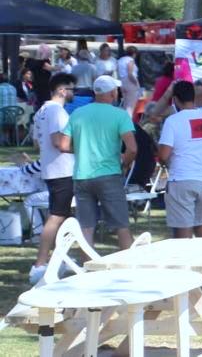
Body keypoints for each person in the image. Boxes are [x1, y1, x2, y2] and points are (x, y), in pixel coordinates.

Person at [59, 75, 137, 248]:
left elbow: (63, 145)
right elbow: (132, 148)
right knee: (121, 226)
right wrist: (124, 165)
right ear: (112, 93)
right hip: (109, 174)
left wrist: (81, 149)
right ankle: (129, 267)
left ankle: (86, 267)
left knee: (86, 227)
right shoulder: (120, 115)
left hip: (82, 176)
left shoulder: (77, 113)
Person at [27, 73, 76, 284]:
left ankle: (59, 258)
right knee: (57, 216)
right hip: (62, 169)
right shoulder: (56, 110)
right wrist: (82, 149)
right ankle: (39, 264)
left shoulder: (42, 110)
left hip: (51, 168)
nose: (74, 93)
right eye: (72, 88)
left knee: (60, 215)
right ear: (62, 90)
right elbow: (58, 141)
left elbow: (38, 144)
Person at [159, 81, 202, 239]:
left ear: (175, 100)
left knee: (183, 229)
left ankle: (184, 262)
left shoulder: (173, 121)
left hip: (182, 178)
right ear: (194, 97)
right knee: (201, 223)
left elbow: (164, 155)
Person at [25, 44, 53, 110]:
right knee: (45, 107)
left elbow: (31, 75)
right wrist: (62, 66)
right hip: (44, 88)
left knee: (37, 106)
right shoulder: (45, 62)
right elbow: (51, 69)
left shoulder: (32, 62)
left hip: (36, 87)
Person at [117, 46, 141, 116]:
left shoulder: (120, 60)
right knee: (130, 105)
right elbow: (130, 74)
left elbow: (118, 72)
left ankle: (123, 120)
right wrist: (136, 83)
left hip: (122, 82)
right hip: (130, 82)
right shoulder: (130, 60)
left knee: (125, 104)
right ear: (134, 54)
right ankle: (128, 121)